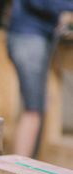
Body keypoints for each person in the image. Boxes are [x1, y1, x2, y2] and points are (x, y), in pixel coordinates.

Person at [8, 0, 73, 157]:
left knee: (40, 104)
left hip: (36, 38)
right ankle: (19, 169)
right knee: (33, 109)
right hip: (27, 38)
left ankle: (27, 165)